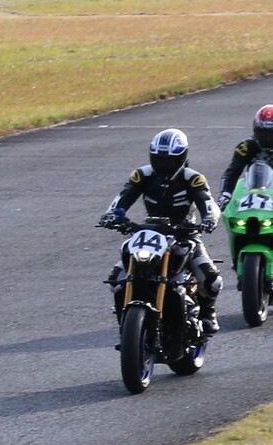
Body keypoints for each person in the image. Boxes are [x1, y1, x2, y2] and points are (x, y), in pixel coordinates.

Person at [98, 128, 222, 336]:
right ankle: (124, 316)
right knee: (115, 278)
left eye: (170, 160)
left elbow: (208, 202)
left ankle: (208, 313)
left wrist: (209, 219)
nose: (164, 165)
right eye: (159, 159)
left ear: (182, 158)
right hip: (150, 230)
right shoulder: (142, 175)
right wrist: (112, 215)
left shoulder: (193, 178)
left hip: (185, 233)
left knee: (211, 279)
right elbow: (123, 197)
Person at [218, 104, 273, 208]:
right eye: (263, 134)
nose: (268, 139)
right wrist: (225, 195)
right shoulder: (246, 146)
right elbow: (233, 171)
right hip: (254, 190)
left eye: (272, 135)